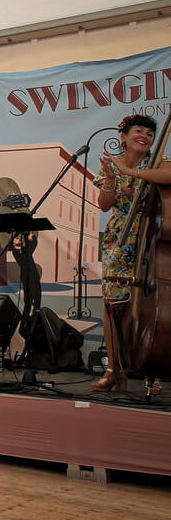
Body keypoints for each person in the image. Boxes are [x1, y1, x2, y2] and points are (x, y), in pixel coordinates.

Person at [94, 113, 171, 390]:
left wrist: (131, 172)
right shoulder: (110, 166)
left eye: (150, 133)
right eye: (138, 131)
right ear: (124, 137)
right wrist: (112, 179)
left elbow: (169, 175)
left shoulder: (158, 161)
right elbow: (105, 204)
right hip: (119, 241)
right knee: (113, 306)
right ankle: (114, 370)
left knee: (152, 309)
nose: (145, 136)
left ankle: (153, 372)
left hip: (150, 240)